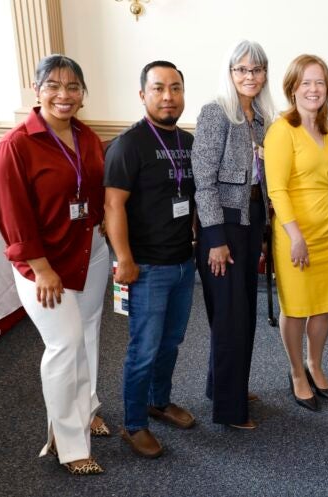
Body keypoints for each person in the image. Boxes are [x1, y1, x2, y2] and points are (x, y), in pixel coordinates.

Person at [0, 55, 108, 474]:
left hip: (89, 250)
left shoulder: (87, 136)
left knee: (89, 334)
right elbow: (13, 216)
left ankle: (87, 408)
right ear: (37, 90)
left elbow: (95, 193)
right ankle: (68, 443)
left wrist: (104, 229)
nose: (64, 95)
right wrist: (41, 268)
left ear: (82, 93)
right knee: (64, 343)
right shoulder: (15, 145)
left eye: (73, 86)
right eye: (54, 86)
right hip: (43, 263)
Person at [105, 60, 197, 458]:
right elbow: (113, 206)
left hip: (183, 263)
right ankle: (133, 423)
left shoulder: (187, 143)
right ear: (143, 94)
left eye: (175, 88)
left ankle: (159, 402)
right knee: (143, 348)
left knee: (171, 341)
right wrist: (124, 259)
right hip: (145, 267)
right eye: (158, 88)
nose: (168, 96)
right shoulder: (128, 145)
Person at [192, 40, 274, 429]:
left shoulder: (261, 118)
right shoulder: (216, 113)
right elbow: (204, 181)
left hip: (250, 219)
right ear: (230, 72)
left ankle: (225, 386)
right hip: (222, 225)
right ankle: (229, 410)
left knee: (243, 314)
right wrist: (214, 239)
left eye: (256, 69)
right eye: (241, 69)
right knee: (230, 318)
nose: (249, 76)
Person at [264, 54, 328, 411]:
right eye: (306, 82)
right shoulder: (282, 130)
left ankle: (315, 364)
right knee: (297, 308)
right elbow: (277, 190)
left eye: (320, 82)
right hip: (295, 234)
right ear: (293, 88)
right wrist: (296, 237)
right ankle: (297, 372)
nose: (314, 89)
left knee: (324, 306)